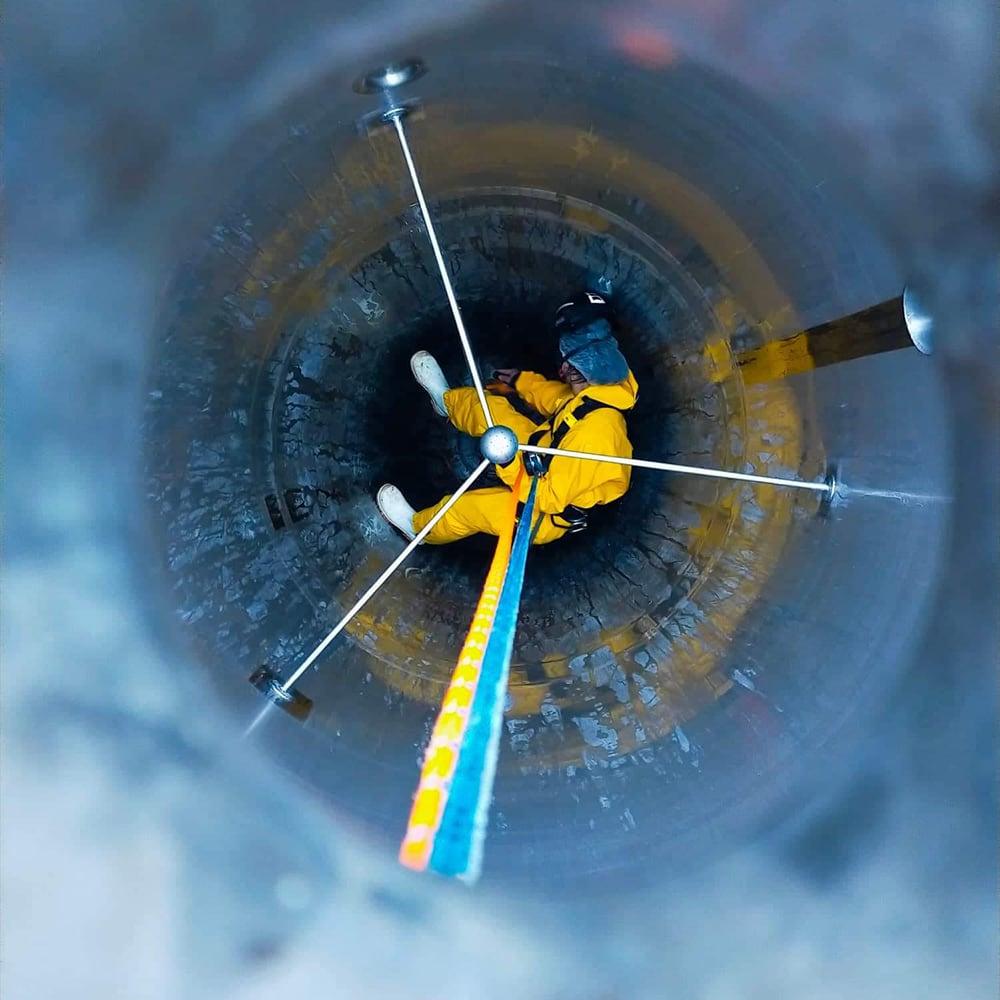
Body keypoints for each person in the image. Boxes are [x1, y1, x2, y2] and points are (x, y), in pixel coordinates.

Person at [376, 292, 639, 545]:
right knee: (489, 409)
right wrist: (521, 382)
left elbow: (547, 497)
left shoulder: (595, 440)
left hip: (543, 511)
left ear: (570, 367)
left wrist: (508, 461)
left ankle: (418, 529)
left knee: (472, 509)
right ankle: (446, 403)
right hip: (543, 451)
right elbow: (559, 401)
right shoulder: (604, 389)